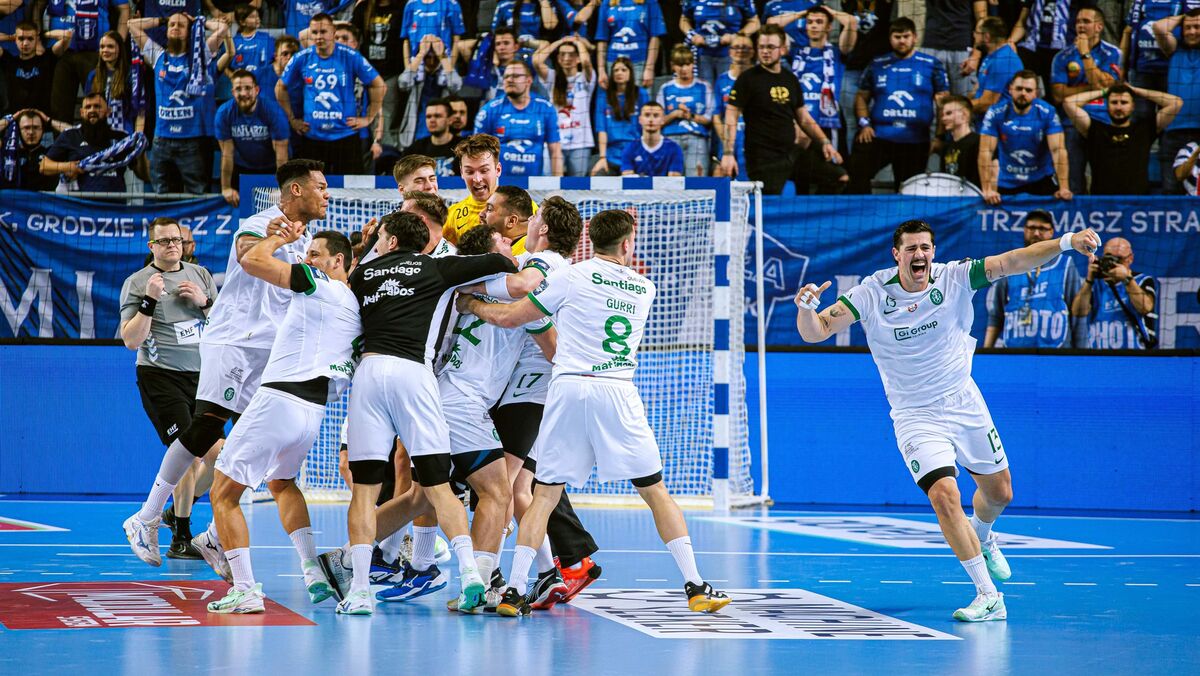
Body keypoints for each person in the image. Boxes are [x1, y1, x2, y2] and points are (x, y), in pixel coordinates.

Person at [794, 218, 1102, 621]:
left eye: (925, 247)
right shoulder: (870, 293)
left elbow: (1014, 260)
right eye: (911, 248)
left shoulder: (956, 277)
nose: (919, 254)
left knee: (1000, 493)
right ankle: (988, 595)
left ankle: (984, 535)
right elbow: (816, 331)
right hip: (914, 414)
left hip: (962, 401)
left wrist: (1066, 242)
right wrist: (806, 308)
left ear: (933, 252)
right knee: (943, 494)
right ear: (897, 254)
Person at [457, 208, 731, 617]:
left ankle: (514, 591)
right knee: (655, 492)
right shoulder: (646, 287)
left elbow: (513, 318)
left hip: (568, 388)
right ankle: (695, 585)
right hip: (616, 390)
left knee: (543, 495)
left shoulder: (571, 275)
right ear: (627, 244)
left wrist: (471, 303)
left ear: (590, 240)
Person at [122, 159, 325, 570]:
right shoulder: (261, 222)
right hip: (234, 343)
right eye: (319, 186)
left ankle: (215, 535)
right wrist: (276, 237)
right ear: (296, 189)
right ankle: (146, 517)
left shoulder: (305, 239)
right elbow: (248, 253)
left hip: (269, 353)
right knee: (205, 429)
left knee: (257, 444)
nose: (326, 194)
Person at [337, 210, 517, 616]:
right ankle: (471, 575)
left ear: (390, 241)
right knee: (437, 486)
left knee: (365, 490)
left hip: (370, 374)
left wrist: (368, 248)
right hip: (415, 377)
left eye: (382, 236)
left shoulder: (362, 275)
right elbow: (501, 263)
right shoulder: (438, 268)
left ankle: (360, 590)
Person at [203, 227, 360, 615]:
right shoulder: (355, 304)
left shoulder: (317, 283)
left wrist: (281, 238)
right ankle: (312, 570)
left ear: (337, 261)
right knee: (282, 483)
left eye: (314, 253)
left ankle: (244, 588)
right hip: (313, 412)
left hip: (279, 399)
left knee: (222, 494)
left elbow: (251, 260)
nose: (307, 259)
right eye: (306, 253)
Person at [464, 195, 602, 604]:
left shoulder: (541, 263)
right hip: (538, 390)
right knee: (522, 489)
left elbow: (526, 301)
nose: (528, 220)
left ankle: (488, 580)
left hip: (529, 389)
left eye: (535, 216)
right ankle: (549, 573)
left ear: (542, 229)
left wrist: (467, 292)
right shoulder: (563, 268)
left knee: (498, 488)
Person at [119, 218, 218, 559]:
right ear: (152, 247)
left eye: (177, 240)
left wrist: (205, 302)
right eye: (164, 241)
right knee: (188, 452)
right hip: (161, 376)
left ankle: (174, 514)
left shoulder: (200, 275)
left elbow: (223, 325)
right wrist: (149, 300)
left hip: (202, 378)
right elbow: (131, 340)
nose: (172, 245)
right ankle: (182, 537)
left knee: (220, 456)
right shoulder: (138, 282)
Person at [721, 24, 841, 195]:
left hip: (792, 153)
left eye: (770, 47)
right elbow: (731, 116)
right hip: (763, 159)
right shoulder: (747, 79)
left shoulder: (790, 79)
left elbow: (803, 117)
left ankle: (808, 212)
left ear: (783, 49)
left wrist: (825, 142)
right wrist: (728, 153)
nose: (765, 52)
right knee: (768, 202)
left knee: (839, 177)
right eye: (761, 47)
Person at [130, 13, 230, 194]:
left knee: (197, 195)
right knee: (162, 197)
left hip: (192, 141)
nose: (175, 27)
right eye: (172, 25)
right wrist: (162, 19)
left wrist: (198, 21)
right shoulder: (157, 55)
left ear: (189, 32)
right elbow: (131, 25)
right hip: (162, 140)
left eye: (181, 25)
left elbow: (222, 28)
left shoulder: (201, 55)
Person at [849, 17, 949, 193]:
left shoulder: (931, 65)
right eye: (897, 37)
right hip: (879, 136)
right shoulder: (877, 64)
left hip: (915, 139)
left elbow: (944, 104)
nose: (902, 41)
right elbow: (861, 97)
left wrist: (940, 137)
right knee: (856, 176)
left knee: (909, 191)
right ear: (890, 39)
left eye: (906, 36)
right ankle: (861, 209)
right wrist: (864, 123)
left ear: (915, 37)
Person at [279, 14, 385, 175]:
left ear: (333, 31)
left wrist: (369, 118)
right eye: (315, 32)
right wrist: (292, 119)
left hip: (345, 138)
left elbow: (379, 85)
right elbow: (279, 88)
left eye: (323, 31)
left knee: (352, 188)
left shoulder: (350, 56)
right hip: (312, 137)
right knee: (311, 185)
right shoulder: (302, 57)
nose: (318, 37)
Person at [1049, 6, 1122, 196]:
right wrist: (1094, 88)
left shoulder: (1113, 53)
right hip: (1071, 122)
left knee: (1105, 180)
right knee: (1073, 181)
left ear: (1099, 27)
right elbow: (1058, 95)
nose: (1081, 26)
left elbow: (1106, 85)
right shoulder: (1062, 56)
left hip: (1103, 122)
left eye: (1086, 22)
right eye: (1078, 22)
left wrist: (1085, 54)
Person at [984, 210, 1084, 349]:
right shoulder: (1009, 263)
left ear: (1051, 232)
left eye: (1042, 228)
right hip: (1013, 353)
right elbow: (996, 317)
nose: (1036, 233)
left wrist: (1081, 353)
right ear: (1025, 230)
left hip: (1057, 353)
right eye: (1031, 228)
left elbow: (1078, 314)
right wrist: (986, 351)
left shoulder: (1066, 264)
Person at [1063, 83, 1181, 195]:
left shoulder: (1144, 129)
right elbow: (1069, 103)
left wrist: (1136, 91)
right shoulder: (1095, 129)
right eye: (1114, 102)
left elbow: (1176, 103)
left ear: (1133, 106)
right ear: (1107, 105)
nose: (1119, 107)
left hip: (1137, 202)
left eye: (1124, 102)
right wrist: (1104, 92)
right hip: (1101, 202)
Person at [788, 7, 855, 193]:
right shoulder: (797, 51)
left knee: (832, 172)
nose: (814, 26)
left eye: (819, 22)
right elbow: (771, 24)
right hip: (801, 124)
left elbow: (851, 22)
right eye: (810, 22)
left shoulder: (837, 52)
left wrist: (827, 10)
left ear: (828, 27)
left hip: (828, 122)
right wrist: (801, 13)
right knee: (801, 173)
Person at [978, 71, 1071, 204]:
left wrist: (1064, 188)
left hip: (1041, 180)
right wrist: (987, 189)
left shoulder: (1047, 112)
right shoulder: (995, 112)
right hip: (1007, 181)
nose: (1023, 93)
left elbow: (1058, 150)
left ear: (1035, 93)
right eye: (1019, 89)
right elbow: (985, 151)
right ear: (1010, 89)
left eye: (1028, 90)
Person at [41, 93, 146, 193]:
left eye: (97, 106)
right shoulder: (70, 136)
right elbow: (44, 166)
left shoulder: (122, 138)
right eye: (88, 107)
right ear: (81, 112)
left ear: (108, 111)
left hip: (114, 203)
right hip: (80, 203)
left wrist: (140, 149)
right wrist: (68, 166)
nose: (92, 110)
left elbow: (143, 174)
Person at [216, 69, 290, 207]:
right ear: (232, 92)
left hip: (271, 167)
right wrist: (226, 188)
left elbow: (281, 155)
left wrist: (281, 187)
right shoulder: (224, 113)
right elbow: (227, 154)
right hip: (241, 168)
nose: (243, 93)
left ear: (257, 90)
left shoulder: (274, 112)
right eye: (238, 89)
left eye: (248, 88)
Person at [475, 60, 563, 176]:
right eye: (506, 77)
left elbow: (555, 151)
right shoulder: (489, 110)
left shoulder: (545, 108)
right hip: (500, 181)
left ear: (529, 80)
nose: (510, 80)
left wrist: (558, 182)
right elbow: (478, 151)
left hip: (534, 182)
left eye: (515, 76)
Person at [48, 0, 129, 123]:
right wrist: (39, 36)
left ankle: (97, 134)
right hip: (61, 51)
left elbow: (124, 9)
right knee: (59, 108)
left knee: (96, 104)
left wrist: (119, 43)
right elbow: (38, 6)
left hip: (95, 52)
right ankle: (63, 136)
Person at [1071, 237, 1158, 350]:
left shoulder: (1142, 280)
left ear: (1130, 258)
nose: (1113, 262)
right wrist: (1089, 280)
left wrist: (1127, 279)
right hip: (1098, 354)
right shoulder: (1095, 284)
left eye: (1119, 259)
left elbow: (1145, 308)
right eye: (1109, 257)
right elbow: (1078, 312)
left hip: (1135, 353)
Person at [1153, 9, 1200, 193]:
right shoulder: (1174, 50)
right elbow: (1159, 27)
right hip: (1173, 132)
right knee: (1170, 192)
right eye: (1187, 27)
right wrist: (1184, 17)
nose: (1192, 32)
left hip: (1199, 130)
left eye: (1197, 27)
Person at [534, 36, 595, 176]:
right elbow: (537, 61)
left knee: (578, 185)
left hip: (581, 142)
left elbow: (586, 61)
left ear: (578, 58)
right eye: (562, 54)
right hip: (555, 141)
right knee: (551, 183)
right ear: (558, 58)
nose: (567, 58)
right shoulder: (552, 77)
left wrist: (577, 42)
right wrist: (559, 42)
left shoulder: (585, 78)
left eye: (571, 54)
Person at [839, 0, 894, 147]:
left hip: (879, 68)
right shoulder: (848, 3)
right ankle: (852, 159)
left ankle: (877, 159)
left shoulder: (884, 3)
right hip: (852, 68)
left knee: (879, 119)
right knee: (852, 122)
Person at [351, 0, 405, 148]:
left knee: (385, 116)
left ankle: (385, 153)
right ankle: (367, 151)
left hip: (391, 73)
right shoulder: (363, 8)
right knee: (365, 114)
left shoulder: (401, 7)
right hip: (366, 75)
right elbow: (351, 33)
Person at [396, 35, 462, 150]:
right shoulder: (416, 76)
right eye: (427, 57)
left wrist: (443, 56)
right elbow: (403, 83)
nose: (431, 62)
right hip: (415, 134)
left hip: (442, 136)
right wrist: (421, 54)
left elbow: (456, 85)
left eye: (435, 58)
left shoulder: (445, 75)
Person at [657, 45, 713, 177]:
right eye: (679, 65)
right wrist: (675, 114)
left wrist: (690, 115)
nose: (684, 69)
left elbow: (709, 118)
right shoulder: (665, 88)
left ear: (693, 65)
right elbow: (658, 120)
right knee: (670, 183)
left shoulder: (704, 86)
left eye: (687, 64)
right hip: (670, 138)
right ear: (673, 66)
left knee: (697, 183)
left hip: (697, 138)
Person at [680, 0, 760, 88]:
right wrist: (692, 36)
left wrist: (736, 36)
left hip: (730, 54)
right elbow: (684, 20)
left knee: (729, 90)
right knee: (705, 91)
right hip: (702, 54)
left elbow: (755, 23)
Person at [442, 133, 505, 245]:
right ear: (462, 173)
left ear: (498, 170)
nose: (477, 179)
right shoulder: (452, 214)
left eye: (484, 170)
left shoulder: (521, 207)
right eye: (470, 172)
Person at [593, 57, 649, 176]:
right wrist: (602, 157)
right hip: (611, 155)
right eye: (616, 70)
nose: (619, 73)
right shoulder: (604, 96)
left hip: (636, 152)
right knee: (596, 176)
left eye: (623, 70)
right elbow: (601, 129)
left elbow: (647, 126)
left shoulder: (641, 94)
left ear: (630, 73)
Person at [922, 0, 988, 98]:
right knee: (930, 101)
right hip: (931, 45)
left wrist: (976, 55)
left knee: (963, 101)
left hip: (961, 48)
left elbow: (982, 19)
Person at [594, 0, 665, 88]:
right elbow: (602, 38)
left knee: (640, 96)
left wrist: (649, 69)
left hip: (640, 63)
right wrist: (601, 70)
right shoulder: (607, 3)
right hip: (613, 63)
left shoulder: (650, 2)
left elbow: (655, 36)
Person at [86, 31, 144, 136]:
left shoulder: (131, 75)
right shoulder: (93, 76)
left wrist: (138, 138)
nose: (105, 50)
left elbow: (141, 112)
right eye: (102, 47)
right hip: (99, 135)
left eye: (110, 46)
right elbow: (88, 109)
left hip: (124, 134)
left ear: (120, 49)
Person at [1009, 0, 1074, 86]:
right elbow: (1022, 22)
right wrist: (1010, 42)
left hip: (1063, 50)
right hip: (1032, 47)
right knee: (1009, 56)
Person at [1, 22, 56, 118]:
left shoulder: (46, 59)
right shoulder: (9, 60)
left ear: (37, 39)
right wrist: (10, 37)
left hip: (42, 119)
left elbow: (67, 36)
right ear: (15, 39)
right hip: (14, 119)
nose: (25, 43)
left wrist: (42, 35)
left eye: (30, 38)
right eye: (21, 38)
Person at [971, 16, 1024, 114]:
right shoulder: (991, 56)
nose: (974, 36)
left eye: (977, 33)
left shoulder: (1003, 60)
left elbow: (987, 103)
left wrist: (961, 108)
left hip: (998, 121)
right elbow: (977, 90)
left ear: (987, 37)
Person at [0, 109, 58, 190]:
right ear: (19, 130)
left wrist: (49, 120)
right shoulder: (9, 153)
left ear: (43, 130)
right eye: (26, 128)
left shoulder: (51, 152)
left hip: (44, 197)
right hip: (12, 197)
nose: (31, 132)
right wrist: (10, 119)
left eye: (36, 127)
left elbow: (73, 135)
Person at [621, 101, 683, 176]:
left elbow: (674, 180)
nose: (651, 119)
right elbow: (627, 178)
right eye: (647, 115)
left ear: (663, 120)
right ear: (640, 120)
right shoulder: (630, 148)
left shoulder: (674, 148)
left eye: (656, 116)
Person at [400, 0, 465, 65]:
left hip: (443, 60)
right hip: (417, 61)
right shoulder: (411, 4)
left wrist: (450, 66)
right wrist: (407, 68)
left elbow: (457, 39)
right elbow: (406, 40)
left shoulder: (451, 3)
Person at [935, 95, 980, 187]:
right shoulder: (946, 147)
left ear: (964, 114)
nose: (943, 119)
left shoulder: (979, 142)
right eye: (943, 115)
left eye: (949, 113)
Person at [230, 4, 274, 85]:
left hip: (264, 84)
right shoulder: (234, 41)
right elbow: (225, 67)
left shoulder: (267, 38)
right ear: (242, 22)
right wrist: (233, 78)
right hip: (243, 85)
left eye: (258, 16)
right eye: (252, 17)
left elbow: (274, 60)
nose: (257, 19)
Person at [492, 0, 559, 43]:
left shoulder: (547, 3)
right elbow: (495, 33)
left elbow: (550, 25)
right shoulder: (504, 5)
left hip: (540, 51)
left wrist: (543, 1)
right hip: (512, 51)